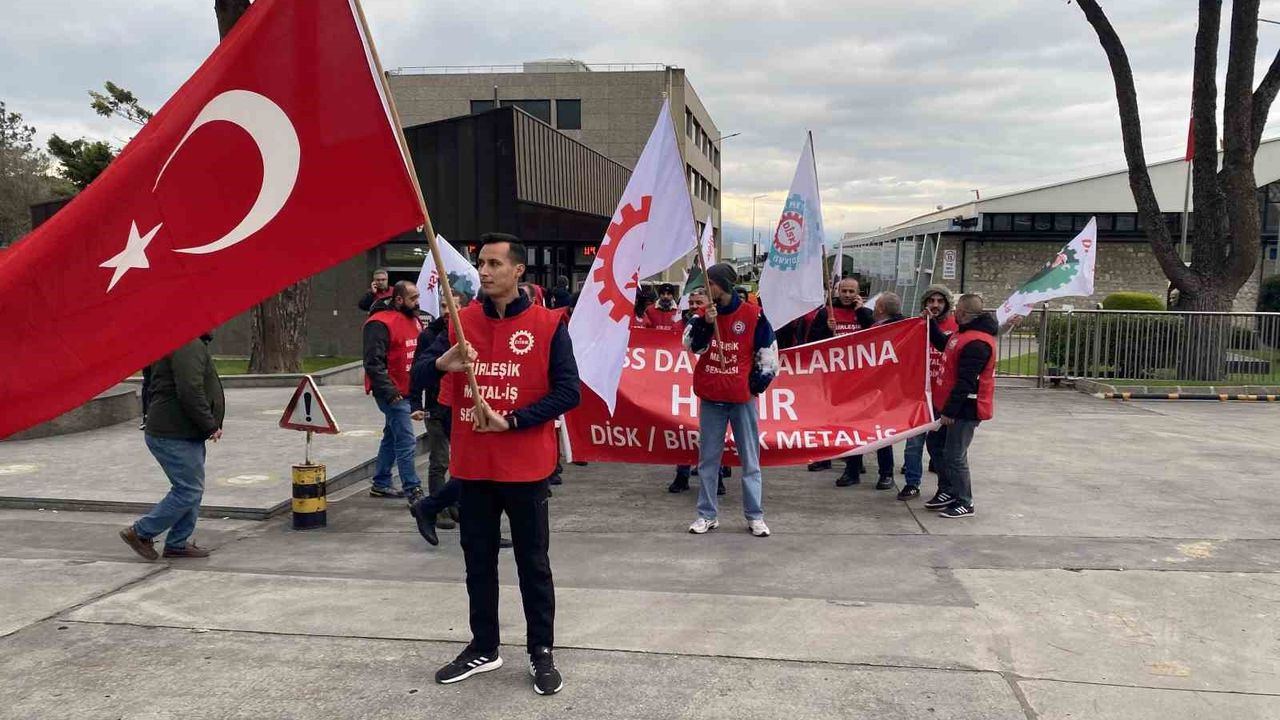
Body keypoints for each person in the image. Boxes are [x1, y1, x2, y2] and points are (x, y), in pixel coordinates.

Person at [419, 232, 580, 695]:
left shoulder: (548, 324)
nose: (485, 272)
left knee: (533, 564)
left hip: (526, 467)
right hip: (473, 467)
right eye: (481, 263)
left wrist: (512, 421)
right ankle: (484, 646)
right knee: (478, 563)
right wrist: (442, 363)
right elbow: (419, 374)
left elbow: (569, 392)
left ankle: (541, 650)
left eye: (494, 263)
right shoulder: (459, 321)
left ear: (518, 270)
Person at [684, 263, 777, 537]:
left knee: (750, 460)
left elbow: (769, 353)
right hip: (712, 397)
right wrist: (705, 323)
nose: (706, 288)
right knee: (708, 460)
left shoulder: (753, 314)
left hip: (741, 399)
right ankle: (707, 515)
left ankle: (755, 516)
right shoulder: (702, 314)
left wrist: (754, 386)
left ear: (722, 285)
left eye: (710, 284)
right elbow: (690, 345)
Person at [119, 333, 224, 561]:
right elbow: (189, 389)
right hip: (173, 432)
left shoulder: (185, 340)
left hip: (182, 430)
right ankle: (140, 532)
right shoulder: (187, 343)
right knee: (188, 490)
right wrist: (209, 424)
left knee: (192, 488)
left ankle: (177, 543)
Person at [922, 293, 997, 519]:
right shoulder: (962, 334)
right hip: (951, 405)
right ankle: (948, 490)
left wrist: (949, 412)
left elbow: (967, 383)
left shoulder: (977, 343)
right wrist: (930, 323)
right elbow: (944, 345)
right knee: (935, 444)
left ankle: (965, 501)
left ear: (962, 313)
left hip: (965, 409)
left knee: (955, 454)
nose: (953, 313)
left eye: (956, 309)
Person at [805, 277, 875, 482]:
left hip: (857, 377)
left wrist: (862, 313)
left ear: (858, 293)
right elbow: (811, 343)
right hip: (831, 376)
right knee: (828, 420)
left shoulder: (865, 313)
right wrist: (826, 329)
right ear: (837, 291)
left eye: (851, 291)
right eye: (844, 291)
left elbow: (876, 336)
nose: (847, 295)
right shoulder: (826, 312)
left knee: (853, 423)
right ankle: (825, 457)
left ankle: (854, 466)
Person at [362, 281, 424, 501]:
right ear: (399, 300)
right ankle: (413, 489)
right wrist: (389, 391)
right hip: (392, 393)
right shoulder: (379, 323)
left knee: (391, 436)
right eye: (413, 298)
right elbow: (373, 363)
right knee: (406, 440)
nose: (418, 302)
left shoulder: (414, 319)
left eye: (418, 297)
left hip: (406, 390)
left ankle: (381, 483)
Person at [898, 285, 958, 500]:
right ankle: (912, 483)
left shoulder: (956, 326)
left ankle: (945, 488)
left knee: (941, 448)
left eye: (940, 301)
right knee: (913, 444)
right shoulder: (916, 325)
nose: (935, 305)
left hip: (944, 396)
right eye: (931, 301)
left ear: (947, 304)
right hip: (919, 395)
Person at [668, 287, 728, 496]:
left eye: (698, 302)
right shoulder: (681, 322)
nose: (694, 306)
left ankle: (717, 477)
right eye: (691, 303)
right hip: (683, 383)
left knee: (712, 434)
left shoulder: (719, 321)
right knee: (683, 429)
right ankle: (682, 474)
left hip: (710, 383)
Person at [864, 292, 906, 490]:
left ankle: (885, 473)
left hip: (882, 388)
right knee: (878, 432)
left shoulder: (887, 329)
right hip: (883, 387)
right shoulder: (904, 327)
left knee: (880, 433)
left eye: (875, 306)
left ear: (880, 309)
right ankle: (883, 474)